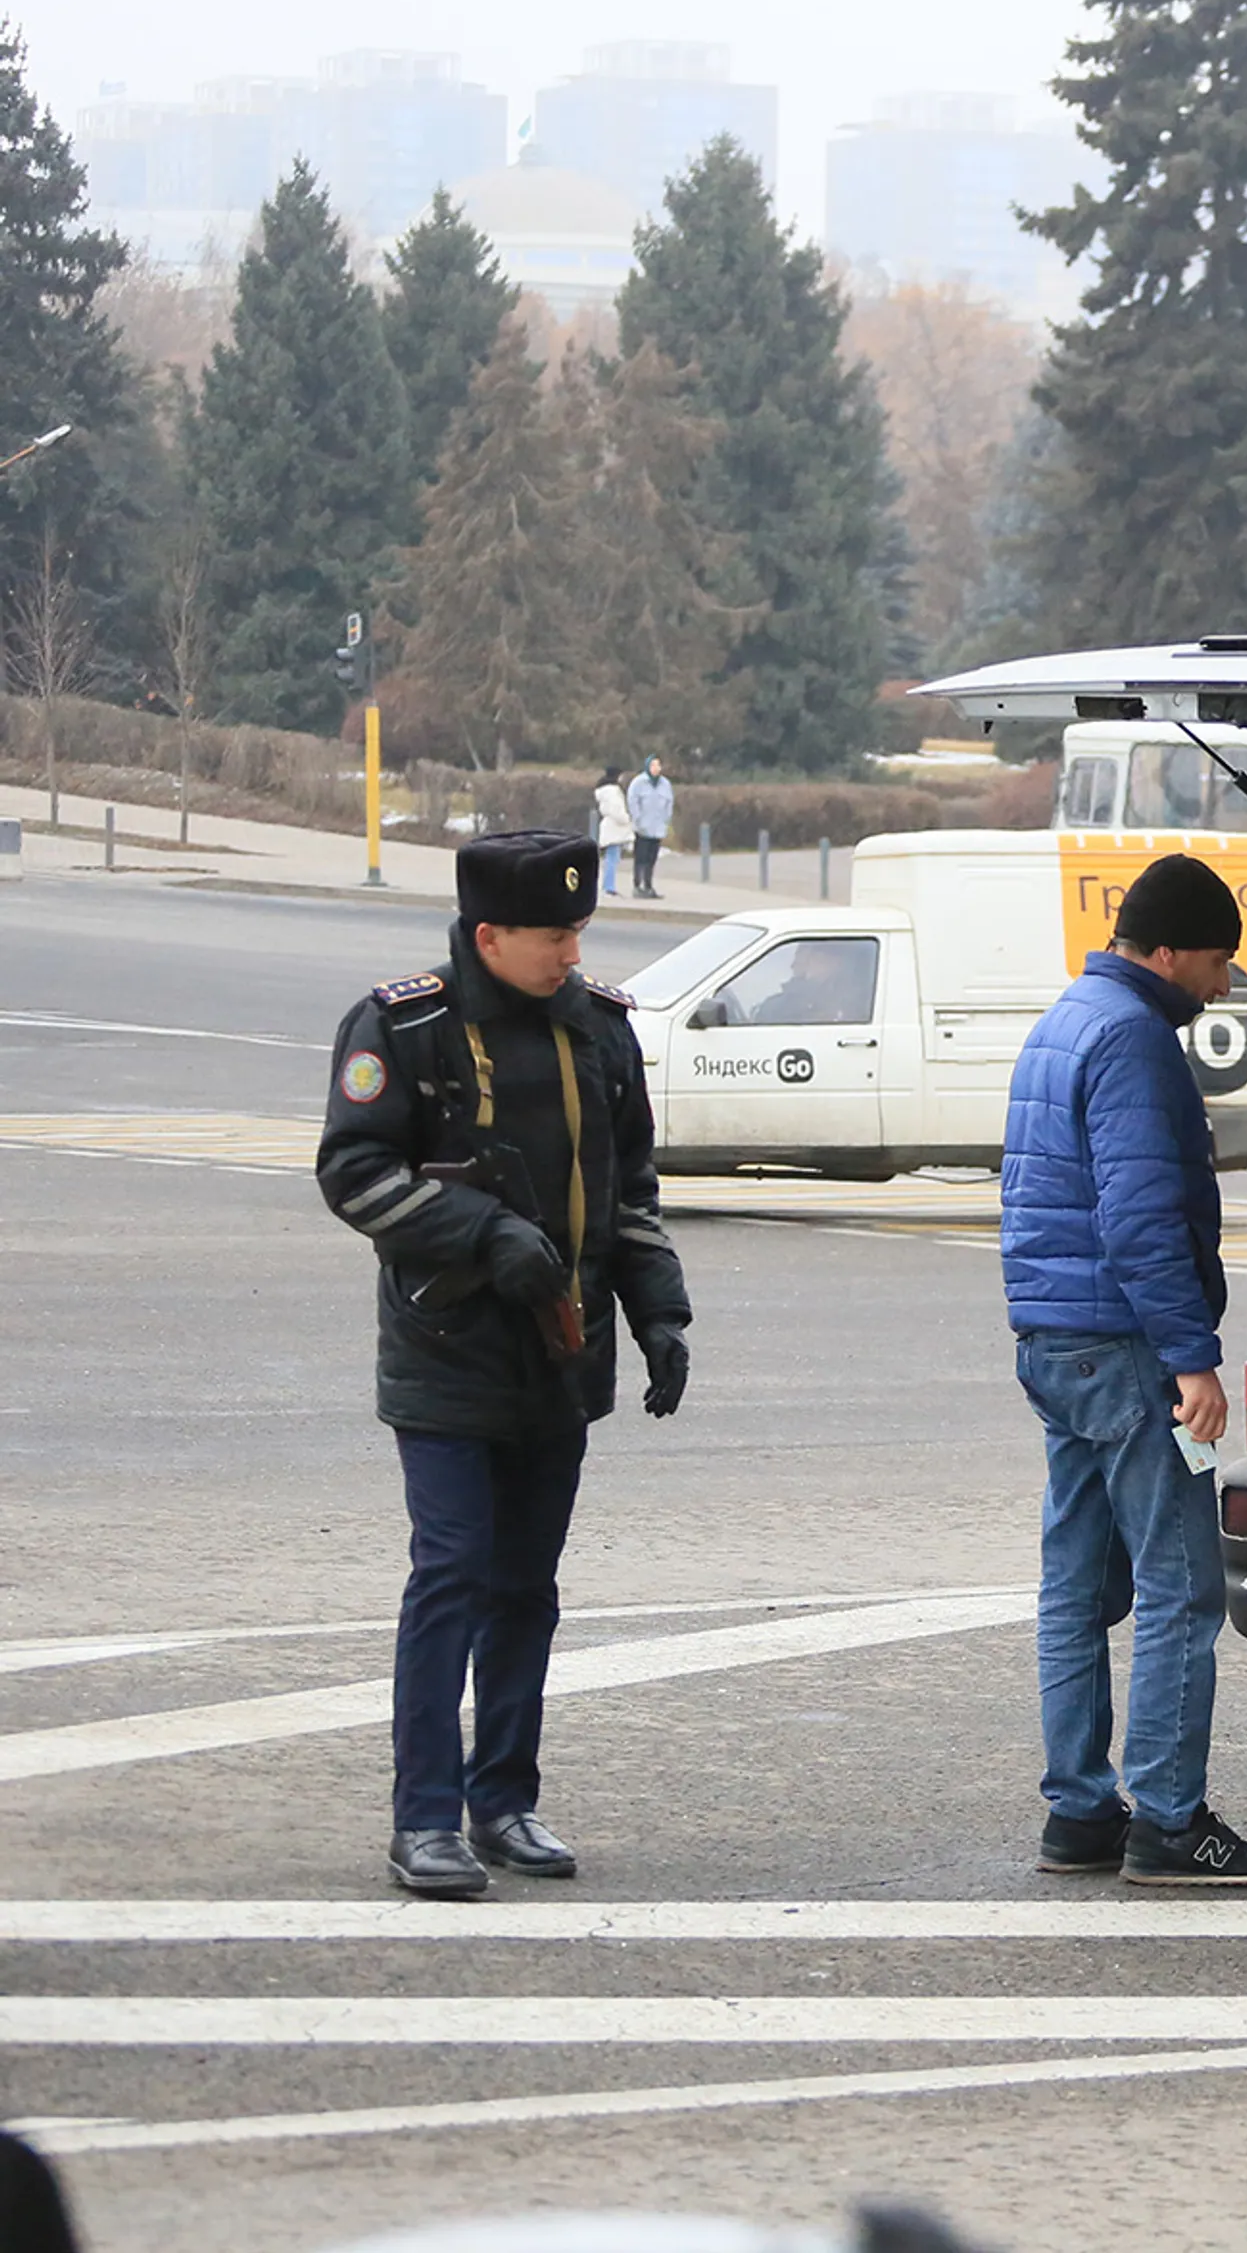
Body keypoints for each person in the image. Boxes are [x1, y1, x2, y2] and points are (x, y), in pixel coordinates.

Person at [315, 827, 694, 1899]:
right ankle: (424, 1821)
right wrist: (481, 1234)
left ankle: (505, 1803)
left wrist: (661, 1317)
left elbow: (632, 1193)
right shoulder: (407, 1024)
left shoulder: (599, 1034)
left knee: (526, 1591)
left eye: (578, 932)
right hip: (448, 1353)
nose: (571, 954)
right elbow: (352, 1172)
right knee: (452, 1579)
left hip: (560, 1363)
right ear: (489, 934)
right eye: (552, 936)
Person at [999, 853, 1247, 1889]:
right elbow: (1137, 1217)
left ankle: (1079, 1812)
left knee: (1075, 1585)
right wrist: (1191, 1359)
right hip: (1126, 1347)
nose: (1221, 984)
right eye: (1216, 961)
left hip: (1053, 1339)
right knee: (1179, 1587)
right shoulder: (1132, 1039)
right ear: (1167, 950)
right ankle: (1170, 1819)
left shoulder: (1065, 1020)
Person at [626, 756, 676, 899]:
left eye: (658, 765)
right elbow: (633, 802)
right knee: (640, 858)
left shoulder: (665, 784)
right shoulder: (638, 783)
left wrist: (666, 821)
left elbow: (669, 804)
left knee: (651, 859)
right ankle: (637, 885)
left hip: (658, 828)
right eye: (653, 765)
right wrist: (638, 820)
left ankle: (648, 885)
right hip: (642, 828)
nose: (656, 768)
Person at [590, 769, 633, 898]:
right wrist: (627, 819)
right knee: (612, 858)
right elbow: (617, 811)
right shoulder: (613, 792)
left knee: (611, 857)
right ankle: (609, 886)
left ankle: (608, 885)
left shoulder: (604, 791)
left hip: (610, 826)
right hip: (615, 827)